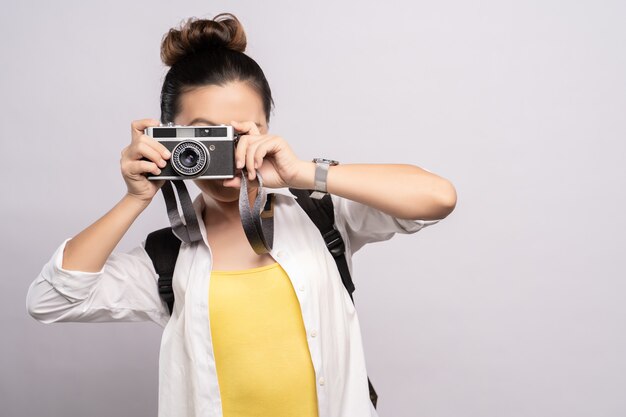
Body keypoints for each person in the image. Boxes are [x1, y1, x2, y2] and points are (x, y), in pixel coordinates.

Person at [26, 12, 457, 417]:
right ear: (170, 138)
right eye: (205, 137)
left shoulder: (319, 212)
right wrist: (135, 198)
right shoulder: (168, 258)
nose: (225, 154)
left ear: (266, 131)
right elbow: (50, 300)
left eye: (239, 135)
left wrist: (303, 172)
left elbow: (438, 197)